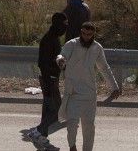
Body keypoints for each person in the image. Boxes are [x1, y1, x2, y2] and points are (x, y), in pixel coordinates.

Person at [56, 21, 121, 151]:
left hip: (89, 93)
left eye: (89, 34)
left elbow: (104, 68)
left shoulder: (97, 48)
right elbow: (62, 55)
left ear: (93, 34)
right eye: (84, 33)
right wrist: (60, 60)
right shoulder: (72, 44)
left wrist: (114, 87)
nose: (86, 36)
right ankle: (72, 147)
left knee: (89, 127)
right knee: (72, 124)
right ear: (81, 32)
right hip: (73, 92)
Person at [22, 12, 67, 151]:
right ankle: (36, 133)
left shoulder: (52, 37)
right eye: (64, 24)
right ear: (58, 24)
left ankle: (42, 138)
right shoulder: (50, 39)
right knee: (58, 111)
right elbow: (42, 62)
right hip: (49, 80)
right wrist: (50, 80)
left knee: (48, 111)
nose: (66, 27)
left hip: (50, 79)